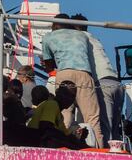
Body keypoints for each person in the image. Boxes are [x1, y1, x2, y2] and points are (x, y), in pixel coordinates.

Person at [41, 14, 104, 149]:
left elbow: (49, 65)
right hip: (84, 73)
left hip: (64, 73)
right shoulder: (81, 35)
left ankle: (62, 146)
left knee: (64, 113)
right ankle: (99, 150)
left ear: (54, 26)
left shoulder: (48, 37)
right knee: (92, 117)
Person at [74, 12, 125, 145]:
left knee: (105, 125)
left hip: (103, 84)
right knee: (115, 128)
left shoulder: (80, 39)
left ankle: (107, 156)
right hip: (116, 83)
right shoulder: (95, 39)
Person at [25, 84, 83, 149]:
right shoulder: (52, 104)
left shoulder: (59, 115)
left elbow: (65, 134)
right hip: (36, 143)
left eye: (73, 96)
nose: (70, 99)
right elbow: (46, 128)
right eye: (66, 94)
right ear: (58, 93)